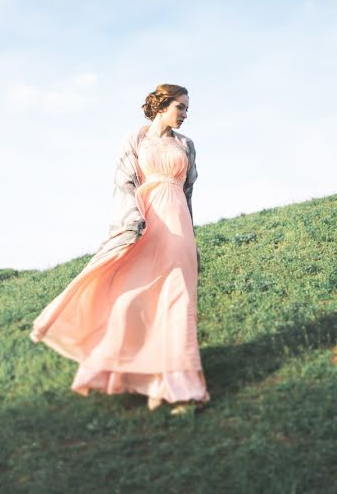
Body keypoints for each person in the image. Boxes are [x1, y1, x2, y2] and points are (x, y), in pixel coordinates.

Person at [29, 83, 209, 414]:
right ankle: (138, 375)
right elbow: (124, 184)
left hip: (178, 224)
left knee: (177, 301)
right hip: (146, 220)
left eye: (187, 108)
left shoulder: (187, 145)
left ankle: (180, 389)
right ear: (161, 106)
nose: (185, 114)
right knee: (132, 297)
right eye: (180, 107)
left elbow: (189, 193)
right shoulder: (135, 139)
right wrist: (130, 224)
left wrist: (192, 239)